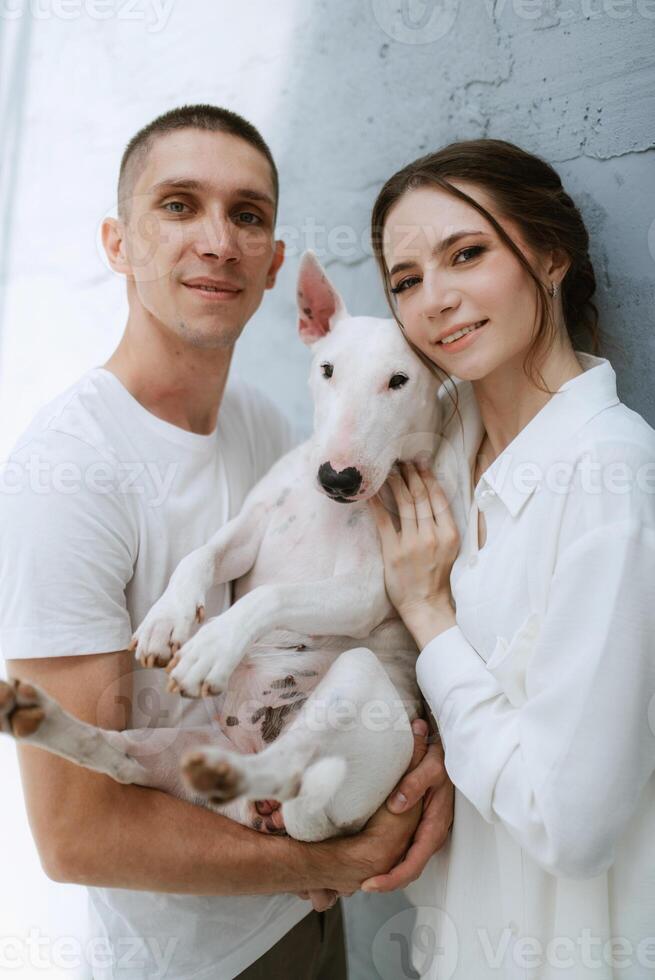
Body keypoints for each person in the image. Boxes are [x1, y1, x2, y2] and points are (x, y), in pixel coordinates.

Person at [0, 105, 453, 980]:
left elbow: (357, 634)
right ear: (116, 243)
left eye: (247, 216)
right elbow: (75, 835)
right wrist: (331, 863)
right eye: (177, 205)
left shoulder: (272, 426)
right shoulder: (66, 476)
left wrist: (418, 777)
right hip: (194, 959)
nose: (218, 241)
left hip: (298, 913)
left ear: (276, 263)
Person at [363, 139, 655, 980]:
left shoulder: (610, 478)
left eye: (467, 254)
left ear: (550, 254)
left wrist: (429, 615)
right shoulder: (436, 455)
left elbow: (571, 823)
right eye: (406, 280)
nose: (436, 301)